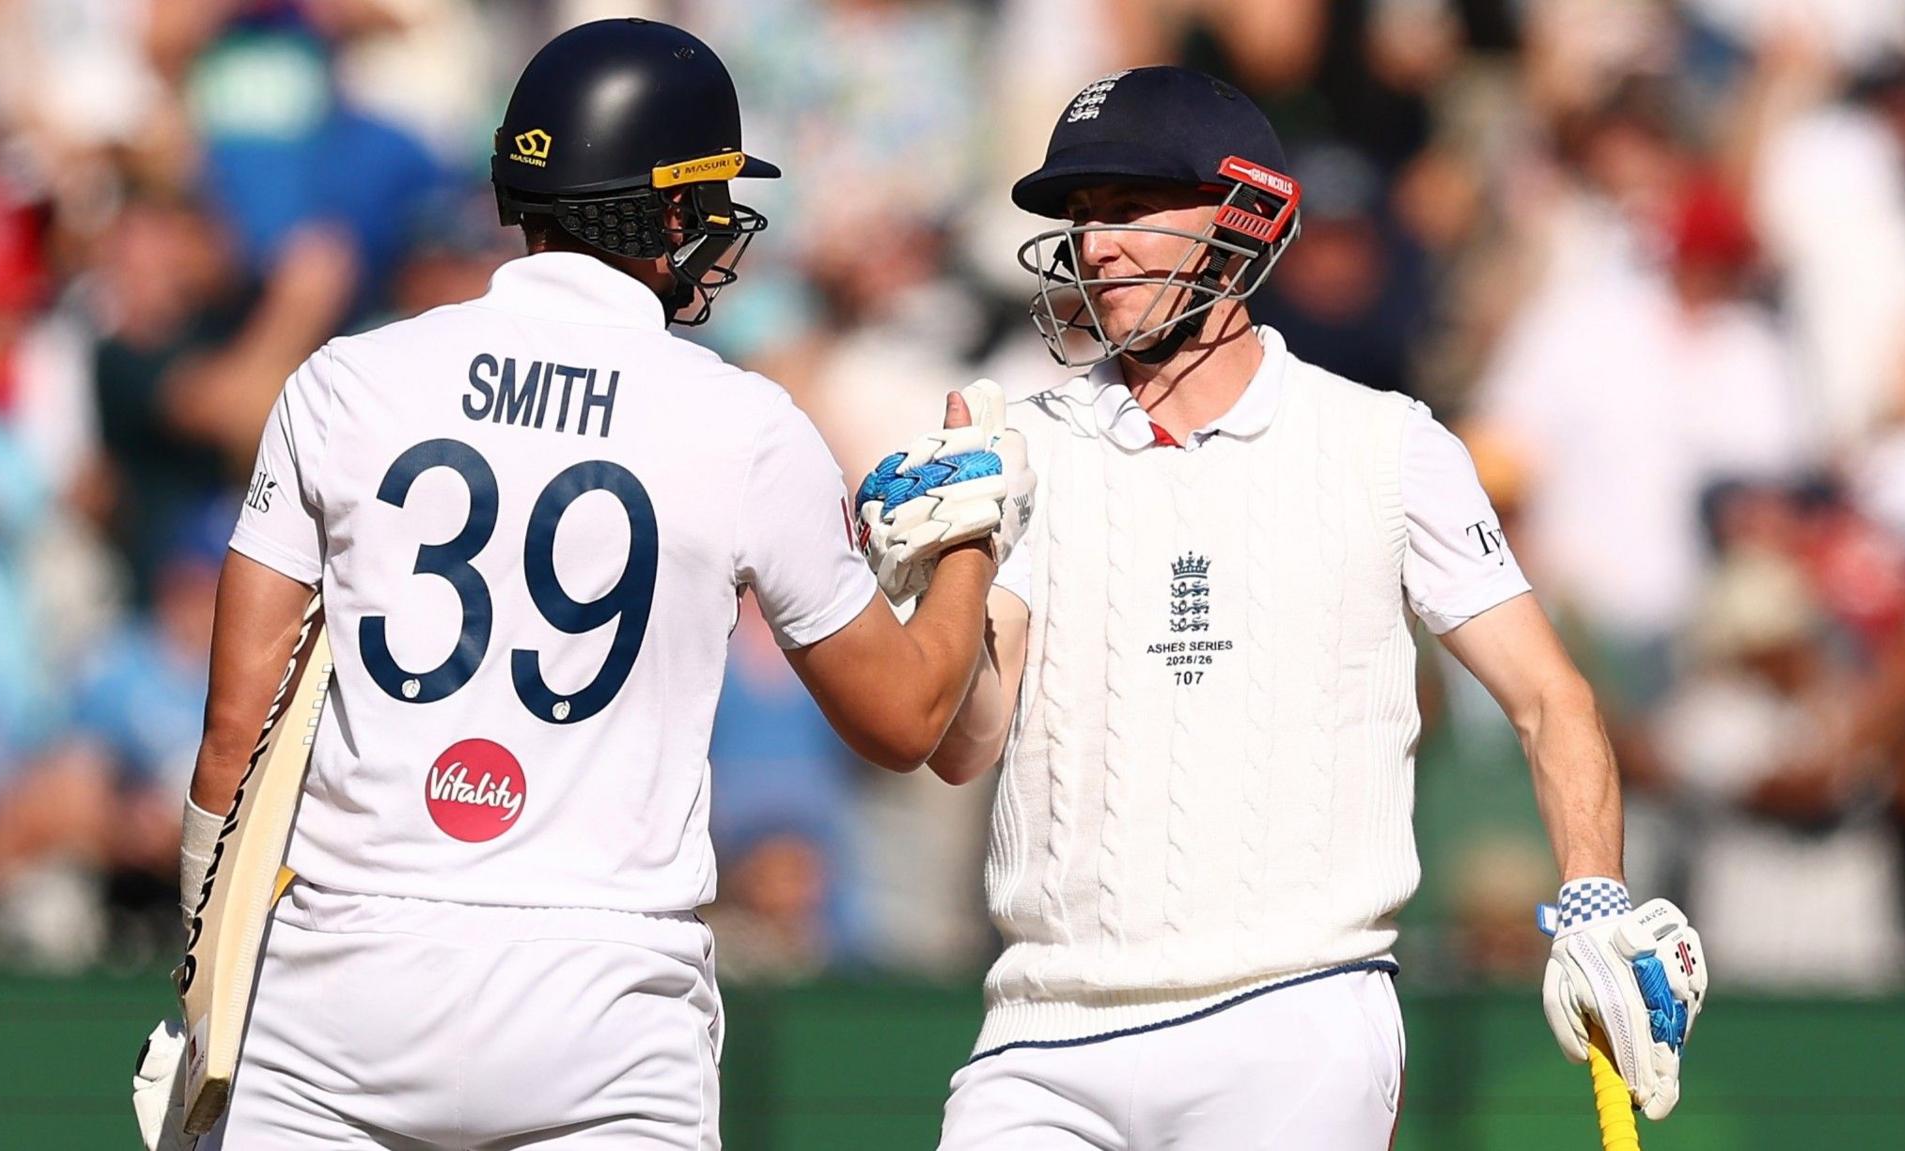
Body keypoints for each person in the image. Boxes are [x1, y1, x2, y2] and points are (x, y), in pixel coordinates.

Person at [133, 18, 1027, 1150]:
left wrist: (205, 980)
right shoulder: (741, 421)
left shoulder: (345, 381)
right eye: (704, 200)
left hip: (344, 981)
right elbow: (903, 719)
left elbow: (233, 737)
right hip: (602, 998)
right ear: (661, 213)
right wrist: (968, 543)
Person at [857, 66, 1710, 1150]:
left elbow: (1549, 697)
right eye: (1081, 219)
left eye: (1128, 210)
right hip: (1040, 1029)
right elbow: (963, 746)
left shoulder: (1384, 443)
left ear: (1241, 218)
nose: (1095, 246)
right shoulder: (1024, 448)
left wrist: (1590, 895)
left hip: (1292, 1011)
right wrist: (960, 559)